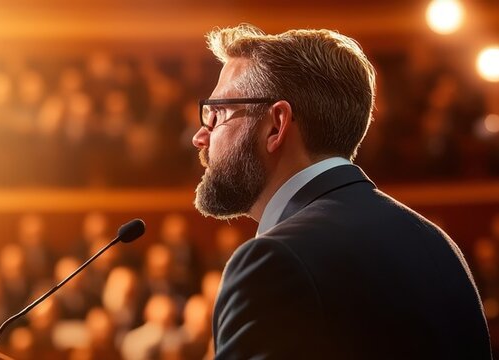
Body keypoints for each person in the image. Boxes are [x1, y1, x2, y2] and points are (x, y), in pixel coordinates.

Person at [190, 24, 491, 358]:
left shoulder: (273, 261)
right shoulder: (438, 245)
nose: (200, 137)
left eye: (218, 113)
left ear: (276, 124)